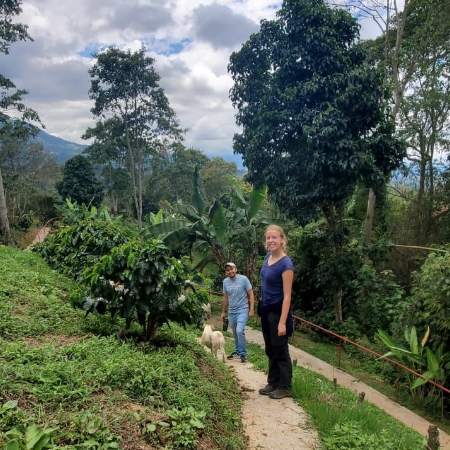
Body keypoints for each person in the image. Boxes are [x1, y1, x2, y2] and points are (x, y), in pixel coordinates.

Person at [258, 225, 294, 400]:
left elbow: (287, 296)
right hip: (266, 310)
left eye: (274, 237)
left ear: (282, 240)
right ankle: (272, 381)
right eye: (268, 238)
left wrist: (282, 322)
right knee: (270, 348)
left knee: (280, 349)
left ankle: (284, 386)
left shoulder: (286, 264)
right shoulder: (268, 258)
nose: (271, 241)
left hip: (278, 312)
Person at [221, 262, 255, 363]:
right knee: (235, 333)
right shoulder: (225, 282)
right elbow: (225, 297)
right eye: (228, 270)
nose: (230, 271)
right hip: (232, 311)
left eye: (231, 269)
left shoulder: (243, 279)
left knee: (240, 330)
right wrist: (223, 312)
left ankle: (243, 354)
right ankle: (237, 351)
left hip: (242, 310)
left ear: (235, 269)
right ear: (226, 272)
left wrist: (252, 309)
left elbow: (251, 294)